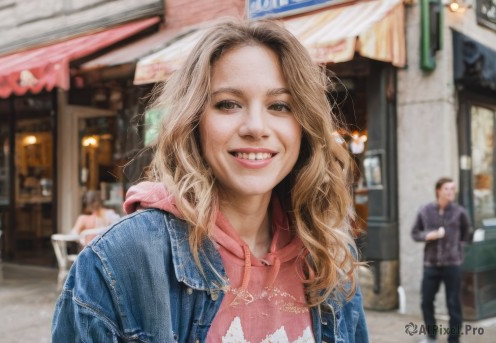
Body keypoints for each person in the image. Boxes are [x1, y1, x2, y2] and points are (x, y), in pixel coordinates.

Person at [52, 19, 368, 342]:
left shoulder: (329, 260)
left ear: (304, 126)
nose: (256, 127)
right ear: (194, 121)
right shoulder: (118, 264)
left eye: (280, 105)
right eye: (228, 104)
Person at [411, 177, 473, 343]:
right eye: (447, 189)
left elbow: (468, 234)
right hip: (431, 264)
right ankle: (431, 336)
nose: (451, 192)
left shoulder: (460, 212)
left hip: (453, 264)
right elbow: (415, 233)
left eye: (453, 189)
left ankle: (454, 339)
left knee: (453, 303)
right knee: (426, 301)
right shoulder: (425, 210)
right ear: (438, 190)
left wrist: (458, 250)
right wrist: (427, 235)